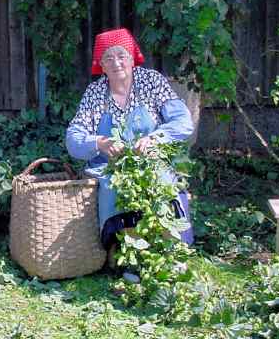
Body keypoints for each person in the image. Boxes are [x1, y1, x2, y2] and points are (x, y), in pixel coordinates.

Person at [65, 28, 195, 279]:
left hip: (151, 161)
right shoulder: (95, 93)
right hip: (109, 167)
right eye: (108, 58)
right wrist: (99, 142)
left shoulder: (151, 82)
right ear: (100, 65)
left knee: (163, 184)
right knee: (115, 188)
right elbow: (73, 139)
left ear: (133, 57)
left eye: (121, 55)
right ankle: (130, 260)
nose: (116, 63)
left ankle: (171, 254)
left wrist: (154, 138)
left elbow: (183, 122)